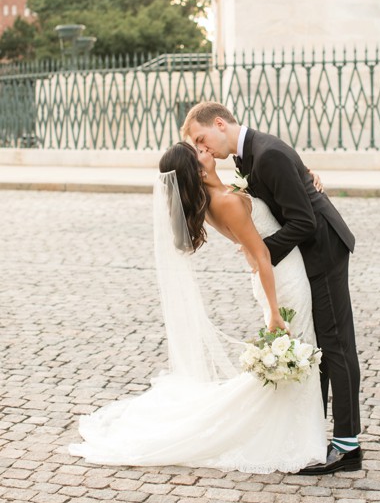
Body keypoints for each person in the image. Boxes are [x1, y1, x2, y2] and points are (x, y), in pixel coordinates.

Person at [69, 142, 328, 473]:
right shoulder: (228, 201)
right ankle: (296, 438)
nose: (206, 149)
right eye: (200, 152)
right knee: (299, 349)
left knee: (299, 353)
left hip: (275, 277)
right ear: (199, 169)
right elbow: (262, 254)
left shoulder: (220, 196)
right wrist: (274, 312)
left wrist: (305, 177)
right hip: (281, 279)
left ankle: (298, 432)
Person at [182, 101, 361, 476]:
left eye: (202, 139)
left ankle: (347, 447)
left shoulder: (267, 154)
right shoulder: (248, 157)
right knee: (321, 344)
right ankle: (320, 431)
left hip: (323, 251)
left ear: (219, 123)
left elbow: (305, 222)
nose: (204, 149)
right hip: (304, 256)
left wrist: (260, 253)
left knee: (336, 344)